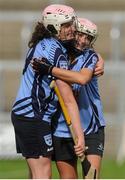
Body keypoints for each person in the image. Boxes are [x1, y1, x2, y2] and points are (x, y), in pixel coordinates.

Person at [11, 5, 85, 179]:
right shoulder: (56, 52)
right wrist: (79, 135)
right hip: (33, 116)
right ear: (54, 27)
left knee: (35, 173)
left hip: (27, 115)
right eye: (67, 25)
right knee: (43, 174)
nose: (72, 29)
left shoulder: (42, 44)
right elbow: (68, 99)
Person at [31, 17, 105, 179]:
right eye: (80, 35)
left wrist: (49, 69)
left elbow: (82, 78)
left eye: (88, 38)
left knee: (92, 177)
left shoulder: (90, 57)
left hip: (91, 128)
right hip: (61, 130)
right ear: (72, 32)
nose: (83, 41)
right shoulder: (57, 53)